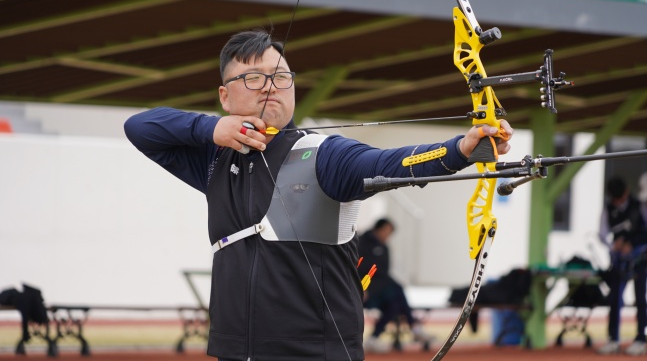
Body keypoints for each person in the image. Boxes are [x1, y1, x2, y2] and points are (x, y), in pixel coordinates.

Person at [124, 28, 514, 361]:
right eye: (254, 79)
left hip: (315, 351)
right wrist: (212, 129)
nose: (271, 87)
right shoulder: (214, 160)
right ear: (225, 97)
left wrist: (461, 149)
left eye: (281, 77)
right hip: (234, 348)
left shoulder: (324, 154)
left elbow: (391, 163)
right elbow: (140, 127)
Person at [358, 218, 432, 353]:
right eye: (387, 231)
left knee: (396, 303)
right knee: (397, 289)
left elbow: (384, 272)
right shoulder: (361, 243)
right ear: (378, 229)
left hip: (379, 290)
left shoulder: (384, 247)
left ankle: (373, 338)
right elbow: (358, 268)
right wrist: (362, 288)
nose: (388, 235)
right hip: (364, 290)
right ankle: (414, 327)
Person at [597, 176, 647, 356]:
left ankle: (641, 338)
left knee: (641, 299)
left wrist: (632, 245)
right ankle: (613, 339)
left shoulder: (639, 204)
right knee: (615, 298)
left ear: (627, 192)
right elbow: (602, 233)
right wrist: (614, 246)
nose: (619, 202)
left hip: (640, 259)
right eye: (615, 199)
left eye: (621, 198)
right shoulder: (608, 208)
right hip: (619, 261)